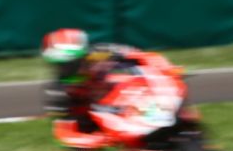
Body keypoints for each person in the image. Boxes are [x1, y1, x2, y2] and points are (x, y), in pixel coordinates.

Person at [41, 28, 184, 138]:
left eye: (71, 63)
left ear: (83, 54)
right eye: (59, 65)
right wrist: (93, 138)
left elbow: (142, 56)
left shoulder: (101, 53)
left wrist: (166, 69)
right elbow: (65, 131)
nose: (65, 69)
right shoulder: (56, 92)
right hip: (97, 128)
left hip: (122, 100)